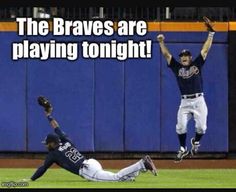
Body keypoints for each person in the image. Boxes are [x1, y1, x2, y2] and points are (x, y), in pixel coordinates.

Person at [25, 98, 158, 182]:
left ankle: (142, 164)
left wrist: (31, 179)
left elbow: (42, 169)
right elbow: (56, 127)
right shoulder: (66, 141)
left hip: (87, 170)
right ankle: (135, 173)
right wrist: (49, 116)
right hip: (91, 162)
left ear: (53, 143)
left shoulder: (53, 154)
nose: (46, 146)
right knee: (119, 180)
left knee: (115, 178)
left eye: (47, 144)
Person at [157, 26, 215, 163]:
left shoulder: (196, 64)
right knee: (181, 126)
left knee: (202, 127)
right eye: (182, 56)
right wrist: (161, 42)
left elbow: (205, 50)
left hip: (199, 100)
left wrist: (211, 34)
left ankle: (195, 141)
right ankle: (182, 148)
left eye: (186, 56)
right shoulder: (177, 68)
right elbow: (167, 55)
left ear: (190, 57)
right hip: (185, 102)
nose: (183, 57)